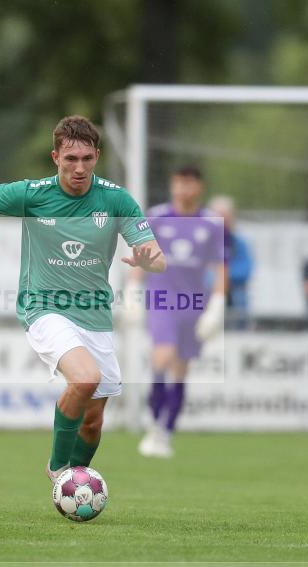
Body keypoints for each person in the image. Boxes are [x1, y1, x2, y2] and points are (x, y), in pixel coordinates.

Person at [0, 115, 166, 484]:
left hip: (94, 315)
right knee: (85, 378)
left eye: (87, 159)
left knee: (92, 423)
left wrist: (149, 258)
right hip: (43, 307)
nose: (79, 168)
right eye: (70, 159)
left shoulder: (115, 199)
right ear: (55, 158)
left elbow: (157, 257)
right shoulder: (34, 194)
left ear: (97, 157)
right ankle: (60, 471)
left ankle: (76, 482)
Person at [135, 167, 227, 459]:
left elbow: (220, 267)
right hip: (162, 297)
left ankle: (166, 430)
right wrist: (133, 292)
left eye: (189, 184)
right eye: (178, 183)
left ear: (199, 187)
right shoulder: (158, 217)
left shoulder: (212, 223)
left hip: (194, 302)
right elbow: (142, 255)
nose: (183, 189)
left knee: (182, 368)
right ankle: (153, 411)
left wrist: (217, 305)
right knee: (163, 354)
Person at [208, 195, 252, 316]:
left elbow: (245, 270)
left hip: (232, 294)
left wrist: (220, 277)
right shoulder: (201, 243)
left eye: (225, 217)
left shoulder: (239, 244)